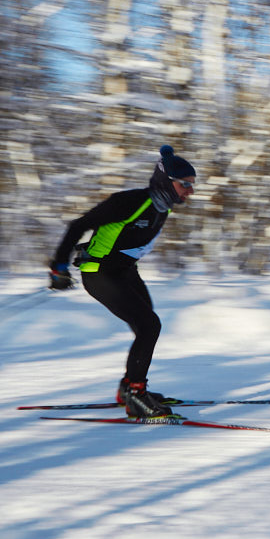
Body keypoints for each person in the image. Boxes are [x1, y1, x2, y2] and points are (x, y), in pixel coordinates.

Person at [47, 145, 196, 419]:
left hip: (125, 271)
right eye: (185, 184)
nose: (190, 191)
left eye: (191, 185)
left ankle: (129, 388)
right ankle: (135, 395)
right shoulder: (129, 201)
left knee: (146, 325)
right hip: (100, 273)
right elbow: (78, 225)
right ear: (166, 181)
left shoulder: (162, 208)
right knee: (149, 325)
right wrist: (58, 267)